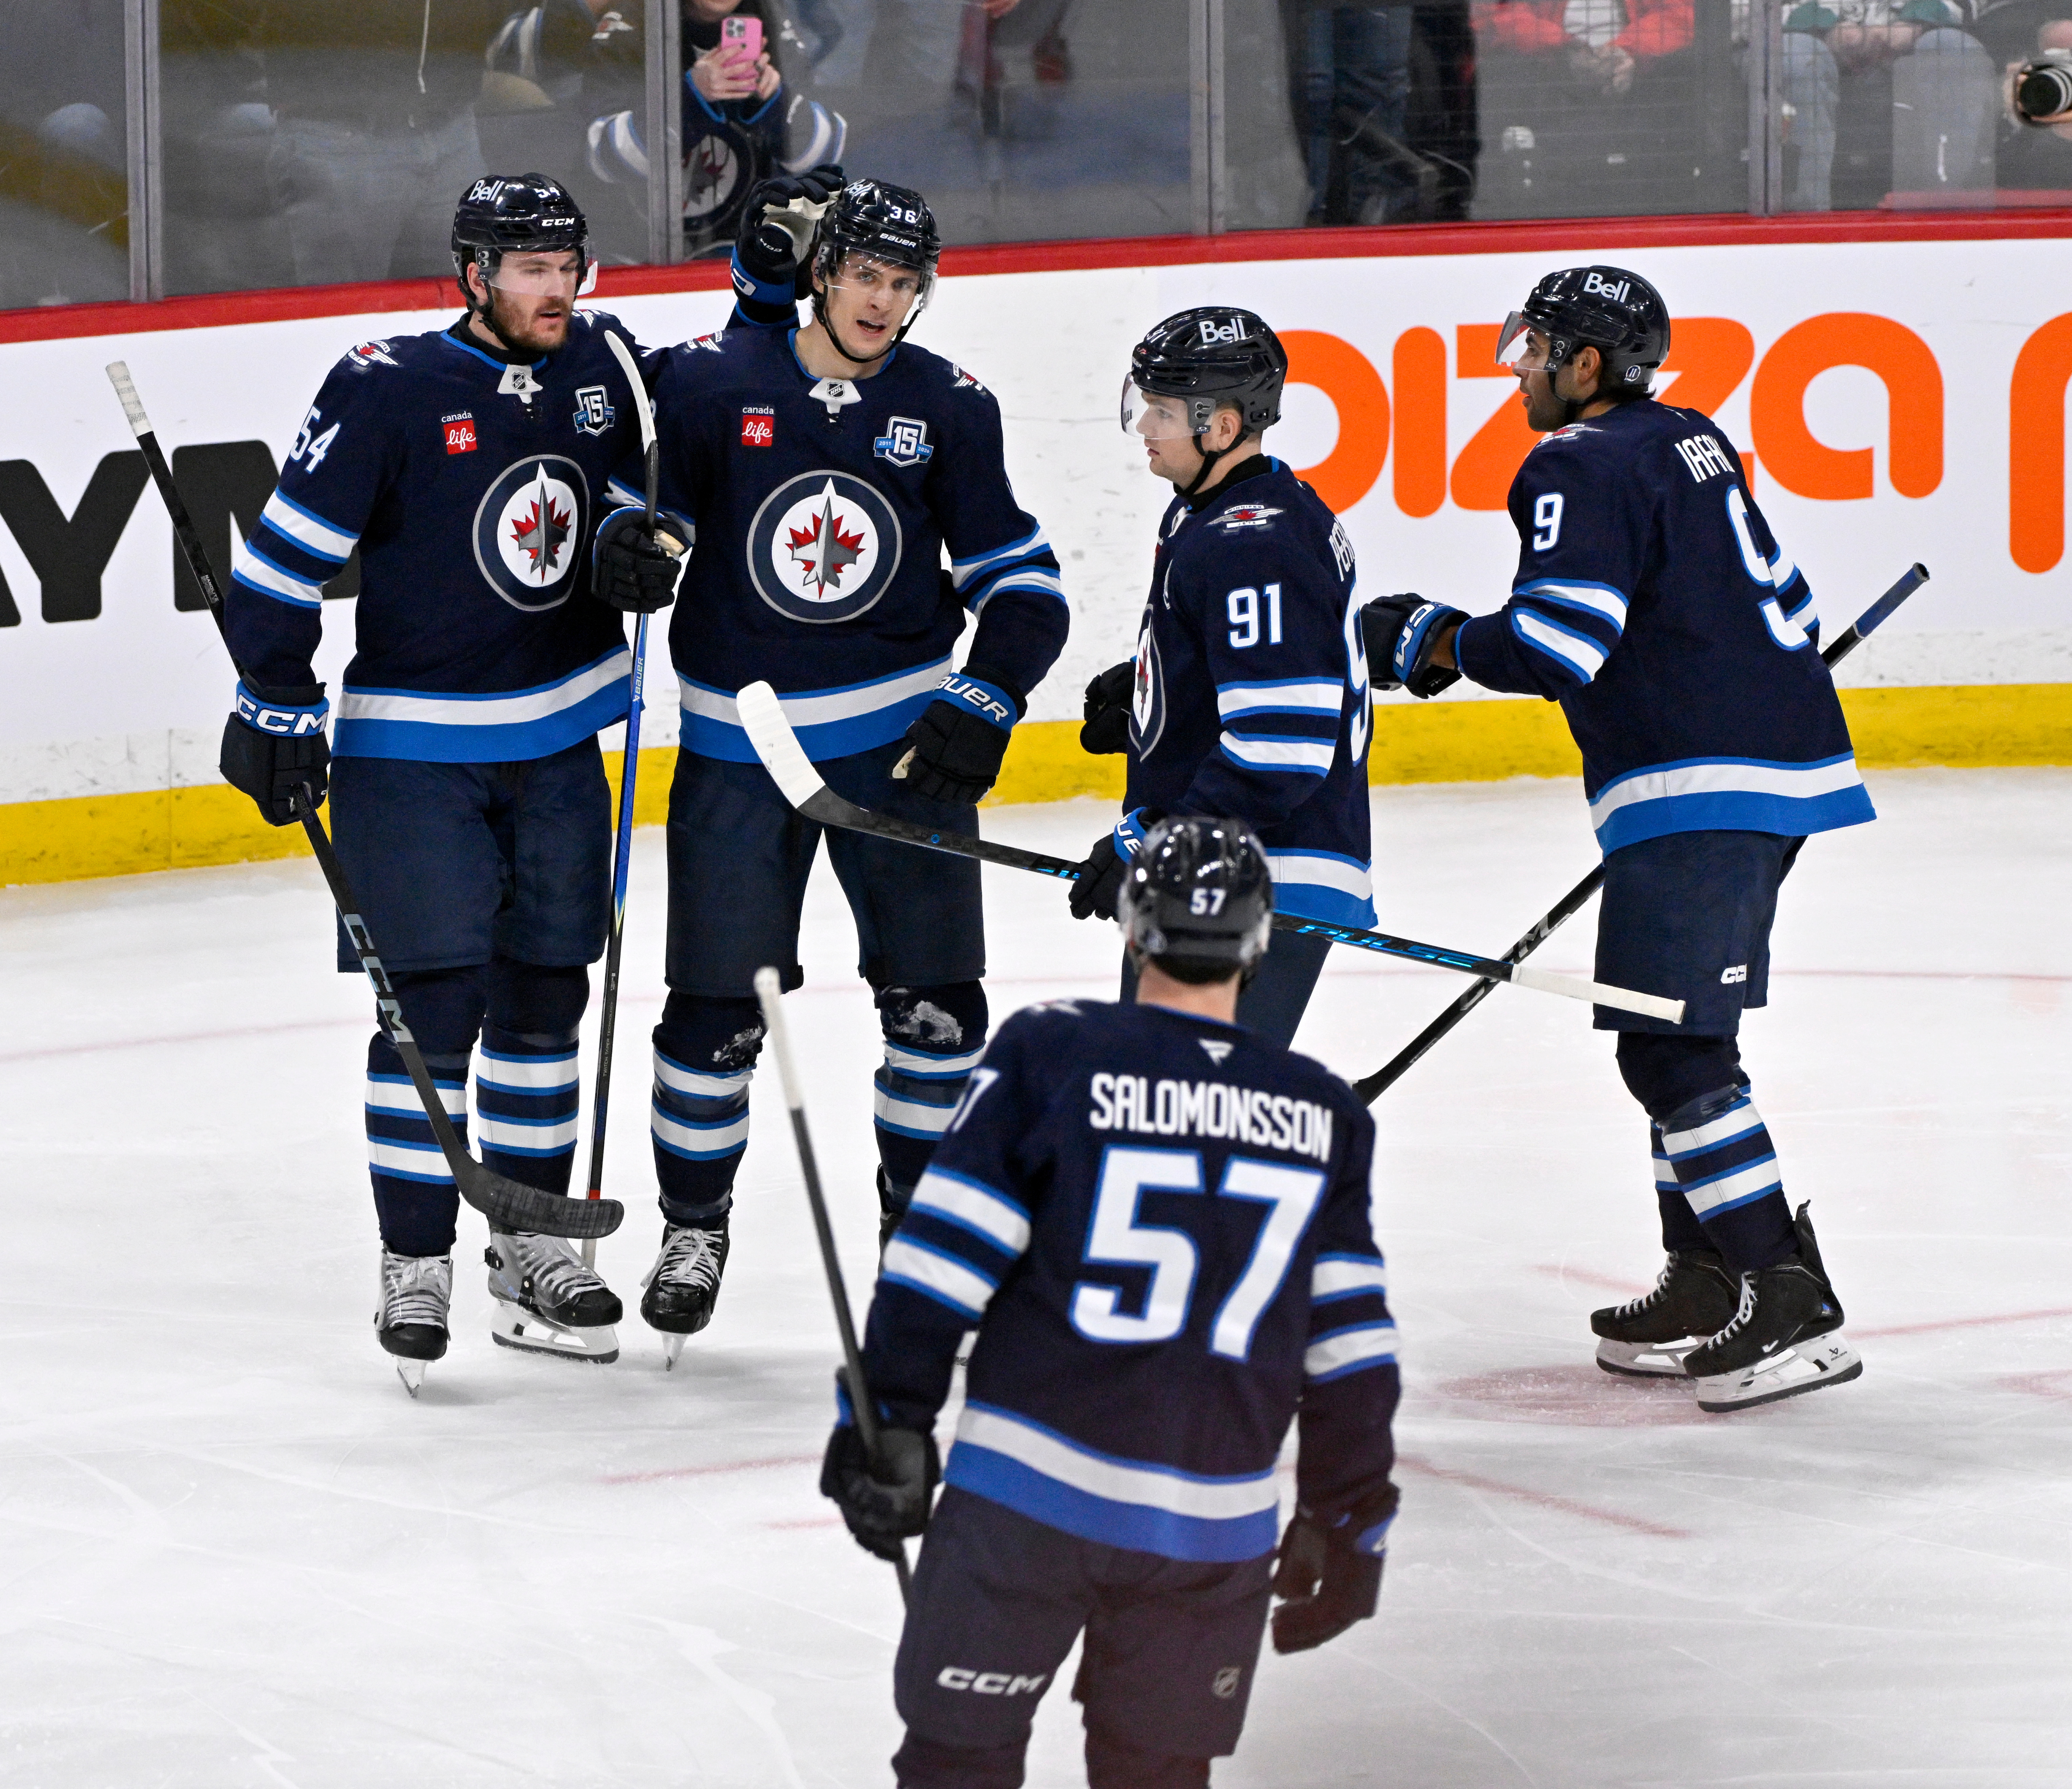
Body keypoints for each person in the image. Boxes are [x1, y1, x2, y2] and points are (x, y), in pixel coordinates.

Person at [1361, 264, 1870, 1414]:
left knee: (1670, 1055)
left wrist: (1429, 643)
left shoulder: (1573, 463)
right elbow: (1785, 604)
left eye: (1534, 350)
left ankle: (1786, 1292)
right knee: (1674, 1034)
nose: (1519, 371)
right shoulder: (1691, 437)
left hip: (1702, 780)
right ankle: (1704, 1278)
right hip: (1759, 768)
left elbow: (1558, 644)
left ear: (1585, 363)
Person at [217, 173, 690, 1390]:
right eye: (530, 269)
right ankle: (415, 1259)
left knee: (545, 999)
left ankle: (530, 1249)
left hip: (559, 742)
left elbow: (654, 482)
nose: (556, 289)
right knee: (429, 1014)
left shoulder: (607, 367)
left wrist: (637, 540)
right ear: (473, 274)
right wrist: (275, 695)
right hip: (412, 753)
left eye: (568, 267)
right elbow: (281, 562)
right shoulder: (386, 386)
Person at [820, 816, 1402, 1789]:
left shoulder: (1053, 1051)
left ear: (1134, 927)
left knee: (956, 1766)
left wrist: (885, 1419)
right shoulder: (1323, 1112)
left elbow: (938, 1260)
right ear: (1261, 943)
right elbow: (1352, 1353)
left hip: (1022, 1506)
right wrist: (1350, 1521)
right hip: (1210, 1532)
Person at [637, 175, 1068, 1359]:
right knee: (712, 1016)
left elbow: (1024, 585)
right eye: (865, 276)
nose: (883, 302)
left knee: (938, 1011)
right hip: (738, 747)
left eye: (904, 283)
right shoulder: (713, 382)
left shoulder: (949, 405)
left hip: (899, 749)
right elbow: (633, 473)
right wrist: (637, 543)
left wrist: (986, 694)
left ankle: (916, 1240)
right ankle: (692, 1228)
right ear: (820, 272)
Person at [1071, 307, 1370, 1052]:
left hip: (1260, 875)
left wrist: (1151, 838)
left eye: (1164, 412)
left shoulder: (1253, 542)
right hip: (1226, 867)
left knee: (1184, 1102)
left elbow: (1280, 748)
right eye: (1145, 404)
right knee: (1161, 1096)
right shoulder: (1222, 511)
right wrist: (1163, 693)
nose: (1145, 426)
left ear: (1224, 427)